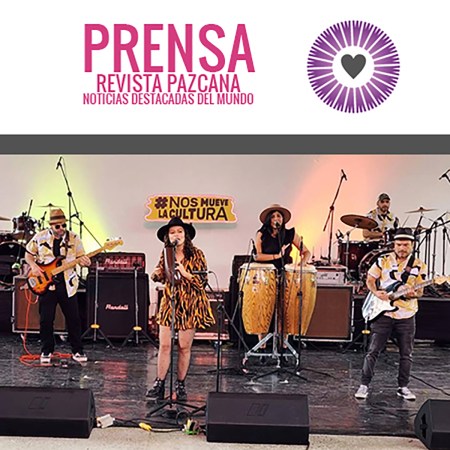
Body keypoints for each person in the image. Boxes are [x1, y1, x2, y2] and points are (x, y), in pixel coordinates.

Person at [146, 217, 215, 402]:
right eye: (172, 232)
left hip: (189, 304)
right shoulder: (166, 253)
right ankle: (159, 383)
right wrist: (156, 273)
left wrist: (185, 273)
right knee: (164, 345)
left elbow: (202, 282)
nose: (176, 235)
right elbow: (161, 274)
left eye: (179, 231)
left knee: (184, 347)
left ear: (185, 235)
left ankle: (180, 384)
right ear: (168, 237)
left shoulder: (197, 254)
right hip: (170, 302)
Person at [355, 228, 427, 401]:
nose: (402, 248)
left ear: (412, 245)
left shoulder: (419, 264)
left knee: (406, 353)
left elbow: (420, 291)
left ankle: (403, 387)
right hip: (384, 312)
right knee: (373, 351)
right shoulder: (383, 260)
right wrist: (375, 292)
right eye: (399, 244)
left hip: (406, 313)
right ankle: (364, 385)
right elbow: (370, 279)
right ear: (394, 245)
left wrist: (413, 293)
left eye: (406, 245)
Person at [25, 208, 91, 364]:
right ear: (51, 226)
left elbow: (81, 257)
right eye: (58, 226)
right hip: (46, 285)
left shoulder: (74, 238)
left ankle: (77, 350)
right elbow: (28, 254)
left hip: (67, 284)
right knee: (46, 320)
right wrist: (34, 266)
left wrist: (85, 262)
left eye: (63, 225)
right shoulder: (40, 237)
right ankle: (46, 350)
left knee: (73, 319)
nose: (61, 229)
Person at [253, 204, 311, 344]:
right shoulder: (261, 234)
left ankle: (283, 344)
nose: (276, 219)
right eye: (273, 216)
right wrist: (277, 256)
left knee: (284, 309)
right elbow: (258, 256)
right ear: (269, 219)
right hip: (266, 274)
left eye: (279, 216)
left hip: (285, 274)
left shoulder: (290, 234)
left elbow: (306, 252)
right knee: (264, 308)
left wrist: (300, 265)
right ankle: (262, 344)